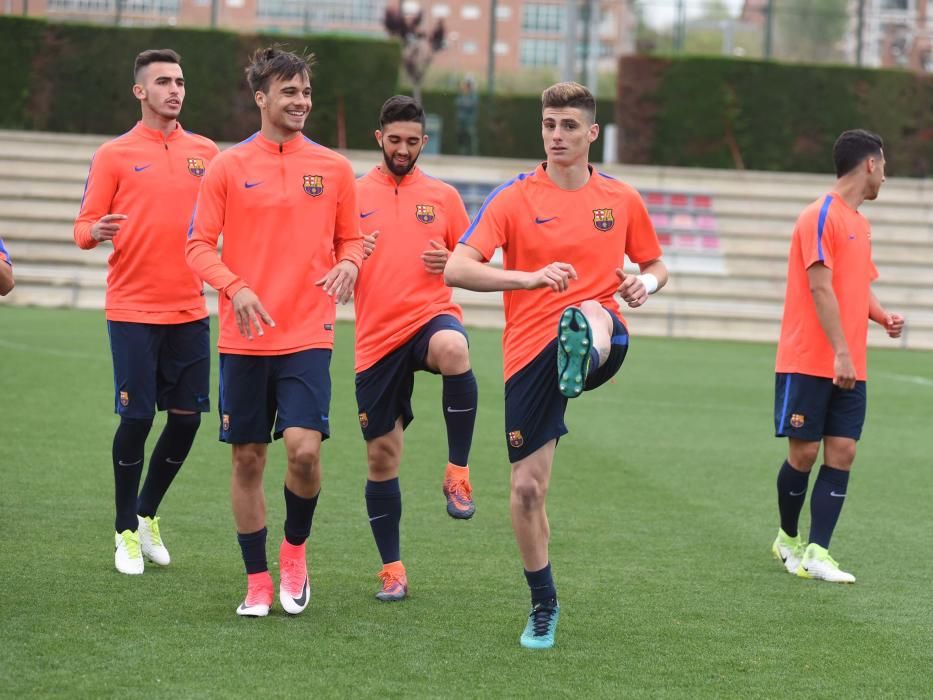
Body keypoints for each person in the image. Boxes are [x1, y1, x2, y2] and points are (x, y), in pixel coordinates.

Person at [444, 82, 668, 648]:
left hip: (604, 333)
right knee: (526, 489)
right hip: (529, 354)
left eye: (569, 126)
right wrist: (526, 278)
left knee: (589, 312)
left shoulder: (620, 199)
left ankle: (583, 341)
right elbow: (456, 269)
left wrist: (643, 284)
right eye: (549, 124)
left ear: (592, 133)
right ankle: (544, 603)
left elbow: (656, 265)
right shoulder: (514, 198)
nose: (557, 135)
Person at [186, 47, 363, 618]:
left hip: (309, 332)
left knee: (304, 452)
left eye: (306, 92)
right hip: (244, 339)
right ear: (261, 98)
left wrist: (351, 265)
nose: (301, 102)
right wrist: (235, 287)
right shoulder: (227, 167)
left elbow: (352, 241)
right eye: (290, 92)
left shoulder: (334, 168)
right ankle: (257, 579)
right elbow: (196, 246)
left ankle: (294, 552)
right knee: (247, 461)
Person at [73, 49, 219, 576]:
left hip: (189, 310)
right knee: (136, 417)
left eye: (179, 81)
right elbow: (82, 228)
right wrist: (98, 230)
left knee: (185, 421)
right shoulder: (113, 155)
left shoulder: (206, 151)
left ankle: (147, 513)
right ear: (141, 91)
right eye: (162, 81)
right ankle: (123, 531)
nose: (174, 90)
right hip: (133, 309)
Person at [354, 95, 477, 602]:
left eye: (412, 142)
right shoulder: (351, 193)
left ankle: (458, 474)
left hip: (429, 318)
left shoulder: (444, 197)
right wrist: (346, 255)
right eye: (394, 140)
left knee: (454, 348)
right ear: (379, 138)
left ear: (423, 142)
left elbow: (471, 260)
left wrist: (450, 258)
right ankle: (393, 570)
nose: (403, 150)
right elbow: (324, 253)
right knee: (383, 457)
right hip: (376, 338)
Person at [771, 129, 904, 584]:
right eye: (884, 166)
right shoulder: (820, 214)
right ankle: (787, 537)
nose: (885, 176)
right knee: (805, 454)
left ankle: (818, 552)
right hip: (810, 359)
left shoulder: (860, 222)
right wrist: (841, 351)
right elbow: (819, 285)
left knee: (843, 451)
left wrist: (882, 317)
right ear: (870, 163)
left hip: (850, 362)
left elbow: (855, 284)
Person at [454, 77, 478, 156]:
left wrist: (464, 103)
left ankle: (473, 153)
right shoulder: (462, 94)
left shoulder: (473, 95)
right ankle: (462, 152)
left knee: (470, 135)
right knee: (461, 135)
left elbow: (471, 104)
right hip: (461, 119)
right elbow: (457, 102)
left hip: (469, 120)